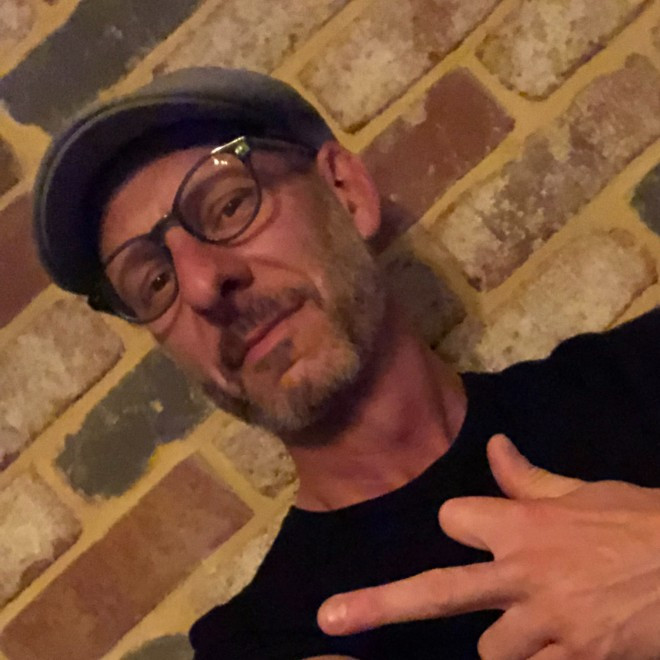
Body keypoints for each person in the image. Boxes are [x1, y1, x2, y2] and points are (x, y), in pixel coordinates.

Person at [33, 67, 660, 660]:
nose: (201, 285)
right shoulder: (260, 646)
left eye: (228, 205)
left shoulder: (635, 380)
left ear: (346, 191)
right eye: (154, 282)